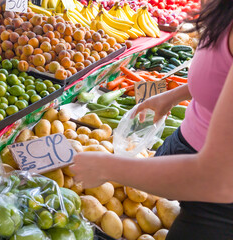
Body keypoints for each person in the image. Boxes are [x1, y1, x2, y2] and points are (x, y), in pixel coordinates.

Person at [71, 0, 233, 239]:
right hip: (188, 154)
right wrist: (172, 96)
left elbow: (219, 178)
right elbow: (220, 74)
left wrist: (107, 168)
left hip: (216, 201)